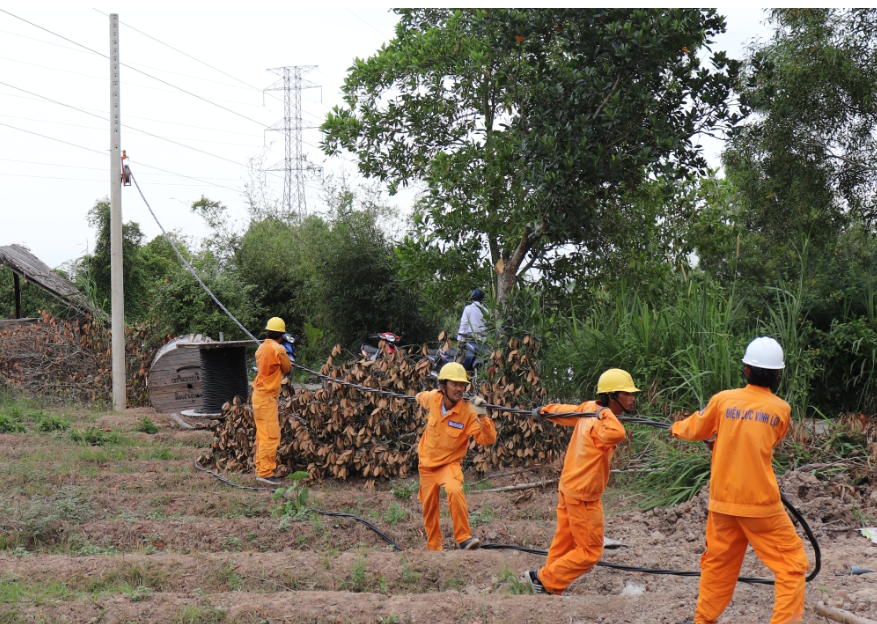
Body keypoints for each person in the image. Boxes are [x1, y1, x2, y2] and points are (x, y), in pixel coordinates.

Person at [672, 337, 808, 624]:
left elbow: (695, 429)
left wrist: (676, 428)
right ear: (778, 375)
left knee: (718, 567)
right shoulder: (781, 410)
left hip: (722, 504)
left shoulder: (722, 400)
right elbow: (765, 442)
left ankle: (703, 620)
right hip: (761, 506)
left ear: (746, 370)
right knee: (792, 565)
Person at [525, 368, 638, 595]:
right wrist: (606, 414)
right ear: (611, 396)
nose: (633, 397)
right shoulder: (601, 422)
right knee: (591, 551)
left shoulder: (589, 409)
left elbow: (566, 412)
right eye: (627, 393)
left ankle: (548, 586)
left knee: (565, 541)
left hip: (568, 488)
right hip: (584, 495)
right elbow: (618, 434)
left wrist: (545, 410)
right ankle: (543, 579)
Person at [415, 362, 496, 550]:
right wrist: (417, 396)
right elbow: (421, 397)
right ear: (443, 387)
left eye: (462, 385)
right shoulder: (433, 399)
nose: (460, 389)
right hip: (426, 465)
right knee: (429, 507)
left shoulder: (468, 412)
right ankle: (434, 548)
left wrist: (483, 417)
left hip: (449, 465)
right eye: (455, 384)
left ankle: (463, 538)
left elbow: (487, 439)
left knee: (454, 490)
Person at [252, 317, 293, 486]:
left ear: (267, 332)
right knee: (271, 436)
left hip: (258, 397)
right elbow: (287, 367)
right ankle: (266, 473)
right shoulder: (278, 349)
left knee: (262, 436)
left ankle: (261, 469)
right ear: (282, 335)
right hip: (268, 398)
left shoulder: (260, 348)